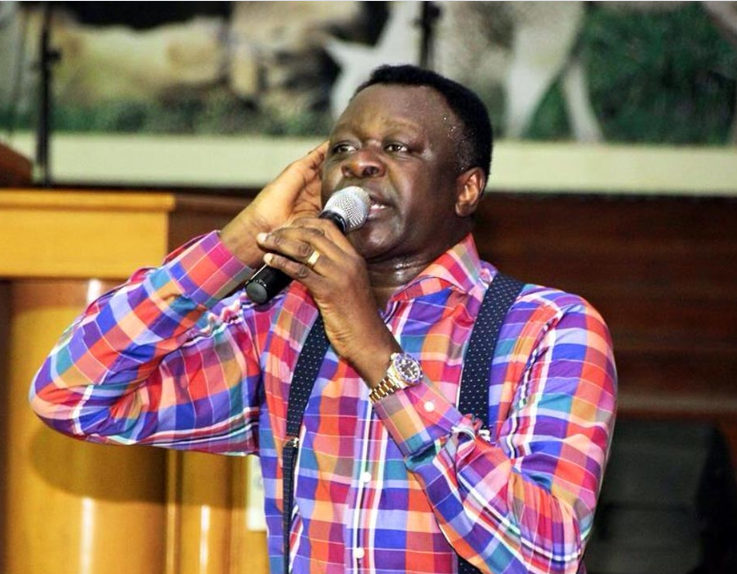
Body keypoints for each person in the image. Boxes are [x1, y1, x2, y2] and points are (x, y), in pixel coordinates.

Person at [30, 64, 616, 574]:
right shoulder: (281, 325)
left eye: (398, 148)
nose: (361, 162)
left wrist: (375, 350)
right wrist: (243, 240)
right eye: (342, 149)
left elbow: (546, 554)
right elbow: (70, 394)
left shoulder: (548, 329)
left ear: (466, 190)